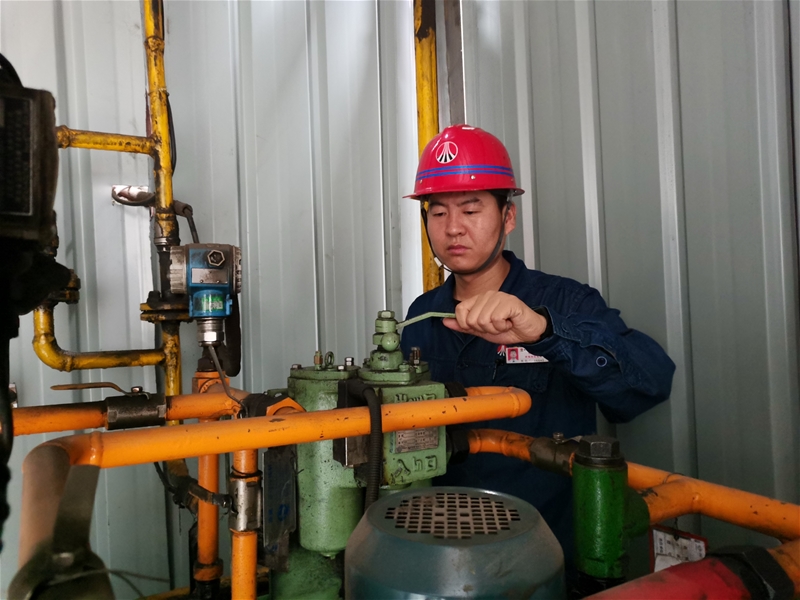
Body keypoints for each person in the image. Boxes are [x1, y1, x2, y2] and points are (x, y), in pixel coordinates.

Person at [399, 124, 675, 570]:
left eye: (471, 209)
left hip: (548, 550)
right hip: (447, 547)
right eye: (438, 212)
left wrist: (544, 331)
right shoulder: (421, 316)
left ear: (508, 217)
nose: (453, 228)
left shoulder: (565, 302)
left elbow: (649, 385)